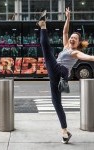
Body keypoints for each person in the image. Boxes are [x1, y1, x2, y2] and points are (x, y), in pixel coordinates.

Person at [37, 7, 92, 144]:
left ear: (78, 43)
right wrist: (68, 18)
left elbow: (88, 57)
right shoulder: (66, 47)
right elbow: (65, 31)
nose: (72, 39)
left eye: (75, 38)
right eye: (72, 37)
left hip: (60, 70)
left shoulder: (75, 52)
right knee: (56, 103)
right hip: (56, 75)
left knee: (46, 50)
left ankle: (43, 25)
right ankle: (65, 132)